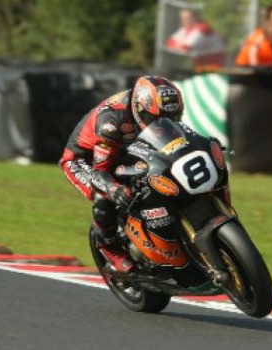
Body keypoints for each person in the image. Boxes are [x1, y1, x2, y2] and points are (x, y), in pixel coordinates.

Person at [59, 76, 184, 273]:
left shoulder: (149, 112)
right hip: (86, 159)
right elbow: (101, 171)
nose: (164, 124)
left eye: (171, 118)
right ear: (139, 109)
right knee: (105, 197)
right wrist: (112, 188)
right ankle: (110, 249)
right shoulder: (112, 121)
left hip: (124, 150)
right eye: (156, 119)